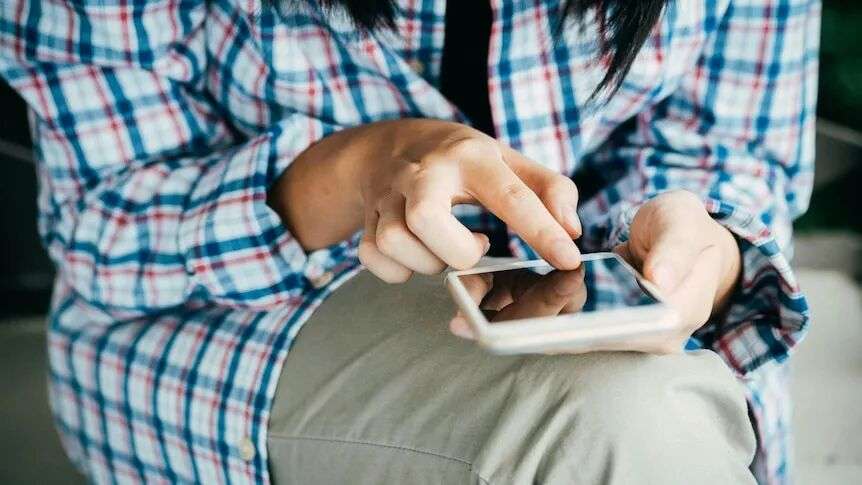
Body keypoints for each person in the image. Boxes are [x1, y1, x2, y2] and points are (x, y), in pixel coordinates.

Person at [0, 0, 818, 483]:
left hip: (576, 292)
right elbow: (100, 221)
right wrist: (354, 170)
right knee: (619, 422)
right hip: (225, 314)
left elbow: (731, 148)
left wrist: (709, 251)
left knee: (649, 410)